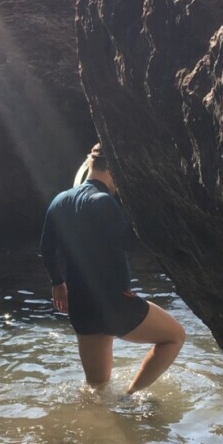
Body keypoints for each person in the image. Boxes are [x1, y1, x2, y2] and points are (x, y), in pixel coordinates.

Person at [40, 144, 186, 393]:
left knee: (97, 389)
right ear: (115, 168)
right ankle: (131, 396)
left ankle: (98, 425)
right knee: (175, 337)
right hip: (114, 303)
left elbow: (46, 248)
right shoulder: (104, 202)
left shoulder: (59, 201)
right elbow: (129, 242)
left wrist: (58, 283)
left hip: (81, 306)